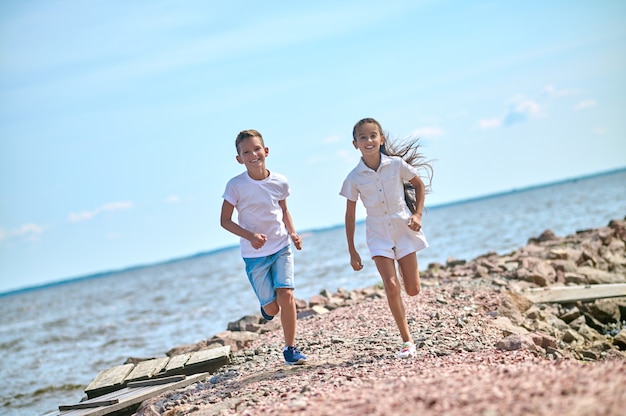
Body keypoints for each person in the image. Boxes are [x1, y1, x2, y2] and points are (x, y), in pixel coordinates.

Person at [340, 117, 432, 359]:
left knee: (411, 290)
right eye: (363, 137)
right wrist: (352, 250)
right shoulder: (354, 177)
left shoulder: (396, 165)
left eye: (373, 135)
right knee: (391, 286)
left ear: (381, 139)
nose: (368, 140)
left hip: (403, 228)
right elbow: (349, 215)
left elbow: (419, 185)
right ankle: (407, 340)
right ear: (355, 144)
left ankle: (404, 274)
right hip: (377, 234)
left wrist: (418, 215)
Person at [220, 129, 307, 365]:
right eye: (246, 152)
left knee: (287, 293)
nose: (253, 154)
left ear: (266, 151)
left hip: (281, 246)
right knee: (272, 307)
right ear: (239, 159)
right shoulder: (235, 186)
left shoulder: (279, 181)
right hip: (254, 255)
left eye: (256, 149)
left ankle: (290, 349)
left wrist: (293, 233)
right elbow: (225, 221)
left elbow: (284, 210)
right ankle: (267, 309)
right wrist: (250, 236)